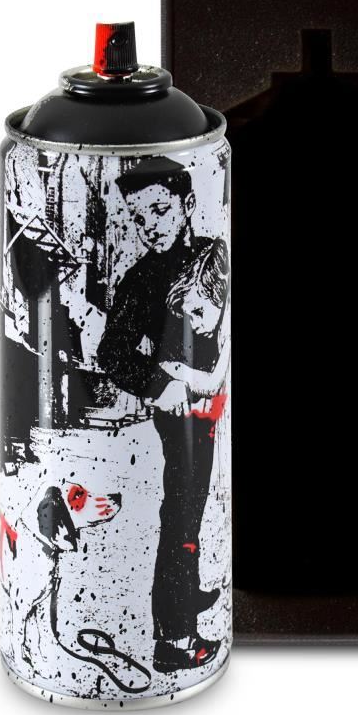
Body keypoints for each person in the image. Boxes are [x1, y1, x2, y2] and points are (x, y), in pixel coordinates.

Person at [97, 157, 229, 673]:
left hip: (211, 404)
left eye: (158, 210)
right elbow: (112, 353)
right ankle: (174, 640)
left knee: (193, 511)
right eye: (138, 217)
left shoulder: (210, 253)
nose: (149, 226)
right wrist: (161, 384)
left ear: (188, 204)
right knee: (180, 521)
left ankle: (187, 591)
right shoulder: (140, 280)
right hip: (181, 413)